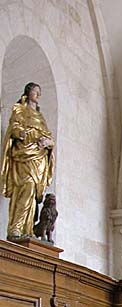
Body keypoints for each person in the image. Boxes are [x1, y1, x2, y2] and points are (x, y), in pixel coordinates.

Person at [1, 82, 55, 240]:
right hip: (24, 155)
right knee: (26, 188)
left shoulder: (40, 116)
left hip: (38, 158)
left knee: (32, 196)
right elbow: (14, 127)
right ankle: (15, 227)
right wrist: (21, 133)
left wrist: (48, 142)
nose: (38, 95)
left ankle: (27, 228)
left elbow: (50, 138)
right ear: (28, 92)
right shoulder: (20, 110)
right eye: (35, 91)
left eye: (39, 92)